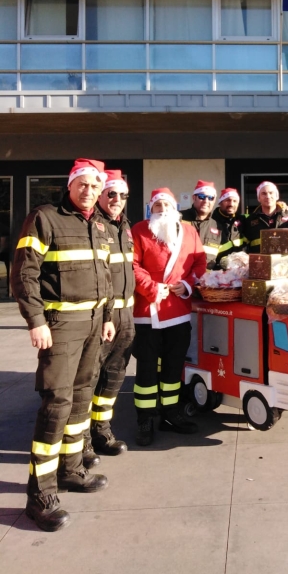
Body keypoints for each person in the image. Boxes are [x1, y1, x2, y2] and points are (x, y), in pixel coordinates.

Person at [11, 158, 114, 532]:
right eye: (82, 184)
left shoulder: (99, 224)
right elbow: (24, 273)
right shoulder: (45, 217)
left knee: (82, 396)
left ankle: (71, 470)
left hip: (92, 324)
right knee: (56, 402)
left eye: (94, 186)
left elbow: (104, 275)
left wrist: (105, 318)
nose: (89, 191)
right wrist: (36, 321)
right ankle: (41, 494)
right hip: (61, 325)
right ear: (70, 186)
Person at [132, 188, 206, 446]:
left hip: (178, 311)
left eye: (167, 204)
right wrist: (151, 287)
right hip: (147, 312)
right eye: (157, 205)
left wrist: (186, 285)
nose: (162, 209)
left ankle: (170, 414)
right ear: (151, 209)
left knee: (174, 367)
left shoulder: (190, 231)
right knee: (147, 370)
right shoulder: (139, 230)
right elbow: (133, 265)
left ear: (175, 208)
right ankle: (144, 418)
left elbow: (199, 263)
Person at [82, 170, 135, 469]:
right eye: (111, 194)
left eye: (123, 195)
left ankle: (102, 432)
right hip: (103, 317)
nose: (117, 200)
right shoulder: (94, 225)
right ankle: (83, 442)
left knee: (114, 379)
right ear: (101, 195)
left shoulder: (123, 227)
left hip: (125, 317)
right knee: (89, 379)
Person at [181, 180, 221, 268]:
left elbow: (220, 258)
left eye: (211, 198)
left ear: (214, 201)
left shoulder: (218, 226)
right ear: (194, 198)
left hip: (207, 279)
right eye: (202, 196)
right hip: (182, 279)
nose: (206, 201)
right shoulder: (178, 219)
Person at [243, 181, 288, 253]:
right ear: (258, 198)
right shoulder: (249, 220)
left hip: (284, 262)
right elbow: (244, 247)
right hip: (260, 262)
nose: (268, 196)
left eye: (271, 193)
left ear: (277, 196)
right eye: (264, 193)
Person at [212, 187, 246, 264]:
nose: (231, 204)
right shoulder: (210, 223)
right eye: (227, 200)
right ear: (220, 202)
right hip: (218, 271)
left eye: (235, 201)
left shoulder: (243, 220)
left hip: (240, 270)